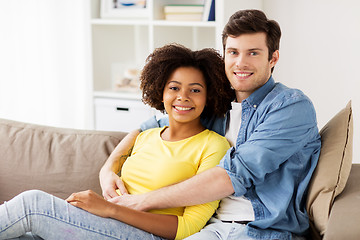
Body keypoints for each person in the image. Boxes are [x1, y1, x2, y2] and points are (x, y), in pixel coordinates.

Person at [100, 9, 321, 240]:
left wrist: (141, 202)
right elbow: (150, 126)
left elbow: (233, 175)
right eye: (233, 52)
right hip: (211, 227)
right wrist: (108, 169)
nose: (240, 63)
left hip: (261, 230)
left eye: (253, 53)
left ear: (273, 58)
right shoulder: (217, 107)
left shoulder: (290, 106)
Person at [0, 44, 234, 240]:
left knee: (33, 204)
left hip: (148, 235)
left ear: (209, 97)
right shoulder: (146, 136)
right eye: (174, 88)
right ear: (161, 92)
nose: (183, 96)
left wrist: (110, 209)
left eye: (195, 90)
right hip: (107, 225)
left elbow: (188, 227)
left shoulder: (214, 146)